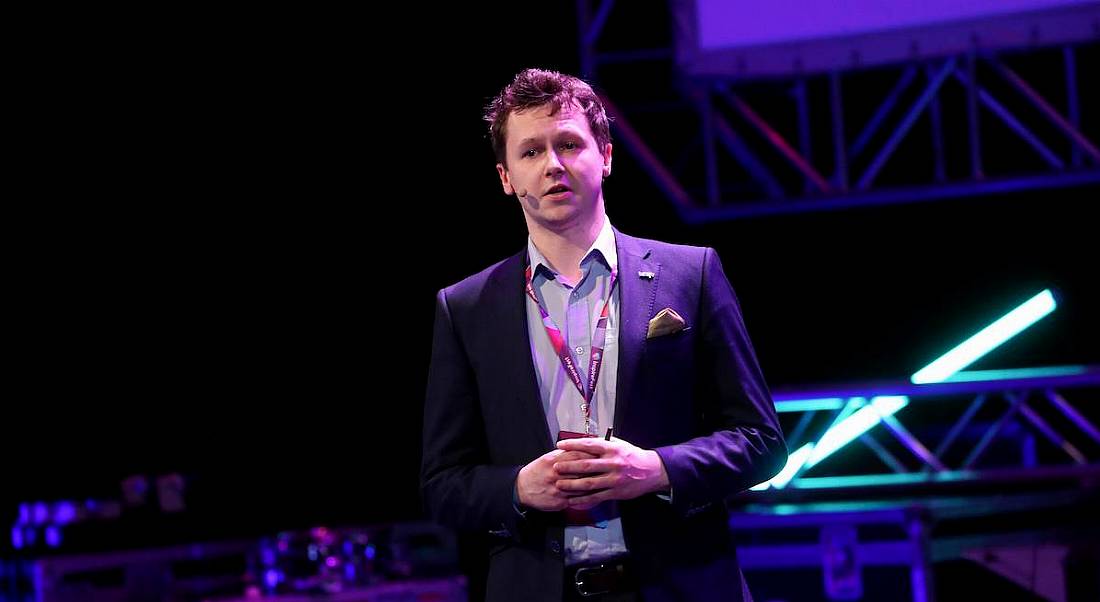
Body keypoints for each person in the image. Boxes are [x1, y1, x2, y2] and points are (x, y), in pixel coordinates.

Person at [421, 68, 787, 602]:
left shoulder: (691, 275)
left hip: (681, 583)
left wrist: (656, 469)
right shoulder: (466, 307)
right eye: (531, 152)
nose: (552, 165)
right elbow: (442, 485)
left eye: (569, 143)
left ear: (606, 155)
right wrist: (520, 488)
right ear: (506, 177)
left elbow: (761, 443)